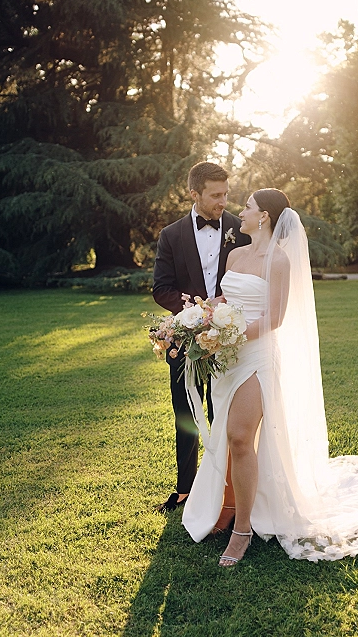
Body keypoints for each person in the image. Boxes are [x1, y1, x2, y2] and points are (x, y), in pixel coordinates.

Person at [183, 188, 358, 565]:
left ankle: (243, 532)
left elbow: (274, 318)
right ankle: (230, 506)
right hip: (227, 358)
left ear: (265, 217)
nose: (242, 211)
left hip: (257, 357)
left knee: (240, 436)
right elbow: (227, 300)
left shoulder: (281, 262)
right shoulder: (236, 255)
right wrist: (196, 319)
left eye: (249, 207)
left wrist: (223, 338)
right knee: (229, 436)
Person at [152, 162, 250, 513]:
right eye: (215, 195)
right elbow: (161, 288)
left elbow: (253, 279)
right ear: (194, 194)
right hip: (185, 335)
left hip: (231, 337)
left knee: (222, 411)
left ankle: (226, 488)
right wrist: (195, 311)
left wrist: (221, 315)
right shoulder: (171, 235)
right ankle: (185, 489)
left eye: (226, 194)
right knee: (186, 413)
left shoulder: (242, 229)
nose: (223, 201)